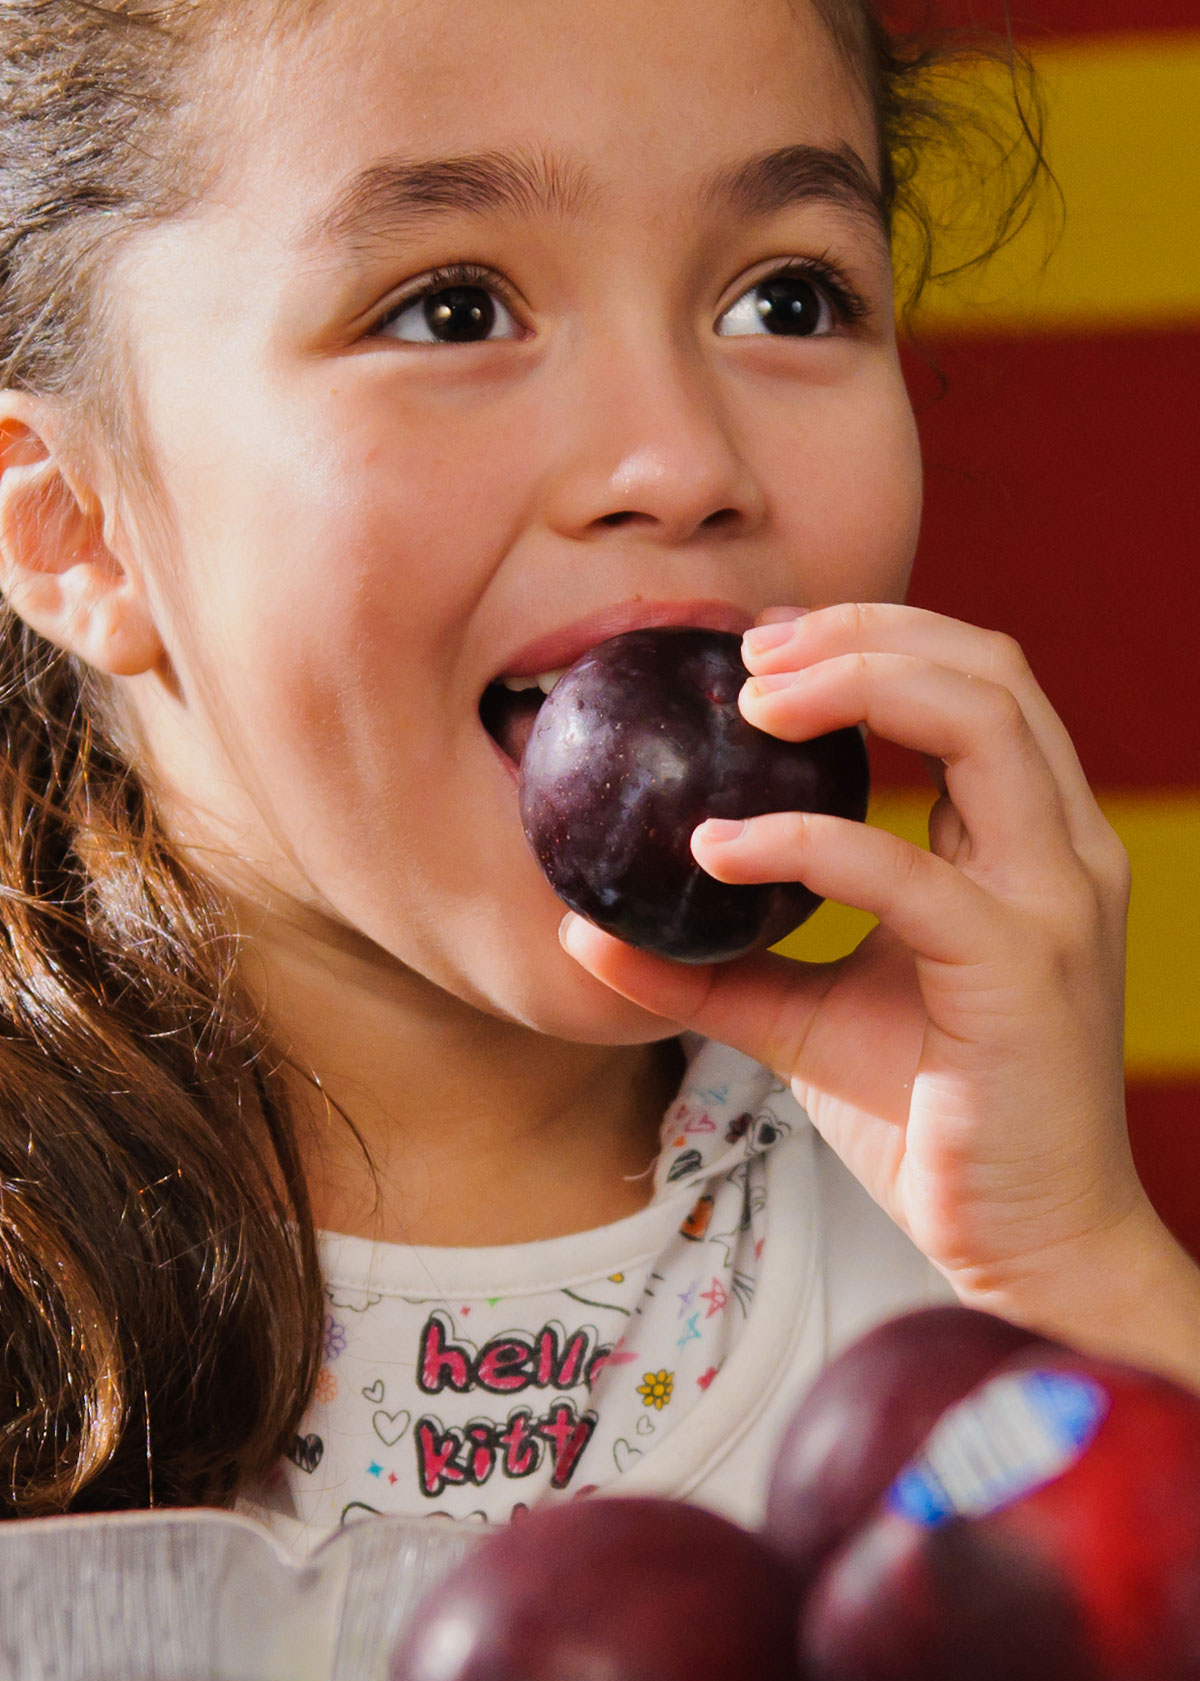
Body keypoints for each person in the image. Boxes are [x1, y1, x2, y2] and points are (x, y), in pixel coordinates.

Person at [0, 0, 1195, 1549]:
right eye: (450, 310)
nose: (684, 461)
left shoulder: (984, 1271)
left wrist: (1080, 1262)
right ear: (74, 528)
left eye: (785, 299)